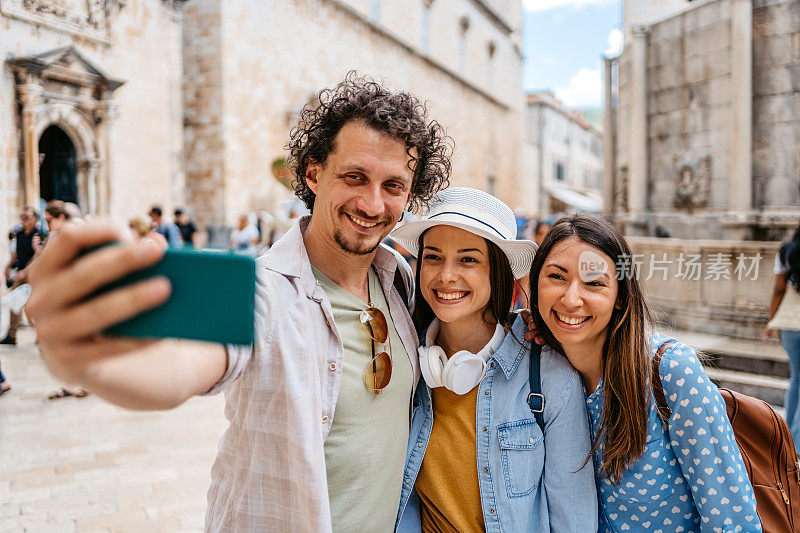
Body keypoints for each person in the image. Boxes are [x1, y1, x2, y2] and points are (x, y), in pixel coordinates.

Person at [25, 73, 453, 531]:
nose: (373, 203)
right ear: (312, 172)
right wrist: (96, 359)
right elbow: (180, 368)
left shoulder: (400, 279)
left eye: (393, 186)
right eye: (355, 177)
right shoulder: (262, 289)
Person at [527, 214, 761, 532]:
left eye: (594, 283)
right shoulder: (537, 365)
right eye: (556, 277)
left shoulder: (669, 371)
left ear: (620, 296)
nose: (571, 299)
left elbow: (731, 517)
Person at [391, 188, 597, 532]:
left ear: (497, 270)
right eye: (433, 257)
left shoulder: (549, 376)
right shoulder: (406, 360)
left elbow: (574, 519)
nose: (445, 276)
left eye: (468, 259)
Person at [762, 220, 800, 452]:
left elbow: (778, 290)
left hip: (789, 323)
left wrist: (770, 322)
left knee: (796, 378)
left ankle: (791, 437)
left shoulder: (786, 251)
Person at [2, 207, 43, 345]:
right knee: (14, 303)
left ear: (35, 219)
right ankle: (11, 334)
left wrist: (26, 271)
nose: (24, 220)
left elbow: (37, 256)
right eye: (22, 217)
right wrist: (7, 267)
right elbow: (16, 253)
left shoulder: (39, 235)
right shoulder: (19, 234)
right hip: (20, 274)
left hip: (34, 275)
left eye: (27, 217)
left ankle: (41, 335)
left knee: (33, 306)